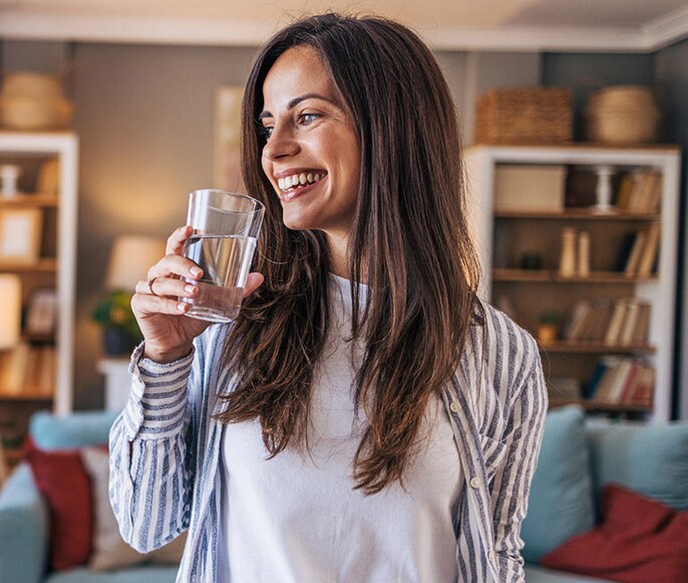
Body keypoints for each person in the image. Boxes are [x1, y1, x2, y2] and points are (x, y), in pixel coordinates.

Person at [108, 12, 548, 583]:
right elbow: (145, 524)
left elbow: (499, 554)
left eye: (308, 116)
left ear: (394, 128)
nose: (274, 151)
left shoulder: (501, 353)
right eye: (268, 126)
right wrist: (166, 360)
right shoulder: (227, 321)